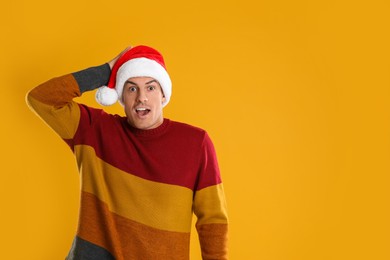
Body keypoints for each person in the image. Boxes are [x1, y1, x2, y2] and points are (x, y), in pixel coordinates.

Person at [26, 45, 228, 259]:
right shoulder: (94, 130)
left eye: (150, 88)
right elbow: (40, 98)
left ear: (163, 95)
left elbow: (213, 221)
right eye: (131, 88)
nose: (141, 97)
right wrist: (107, 71)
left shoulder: (195, 143)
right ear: (120, 96)